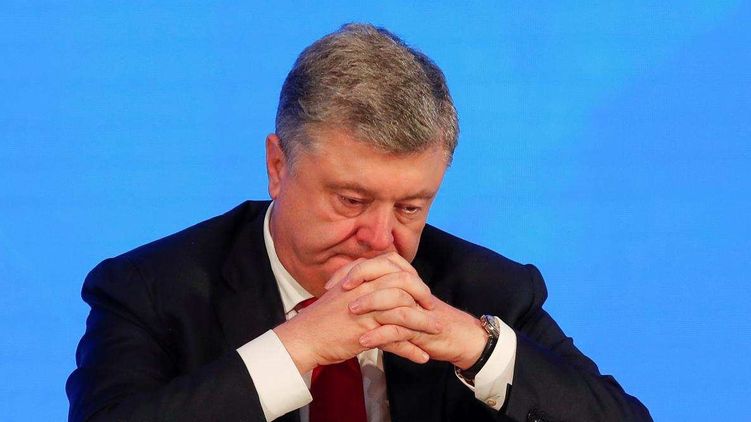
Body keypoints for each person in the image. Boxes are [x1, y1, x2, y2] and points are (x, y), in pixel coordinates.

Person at [67, 23, 651, 422]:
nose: (380, 239)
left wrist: (477, 348)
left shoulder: (485, 289)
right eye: (350, 200)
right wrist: (296, 347)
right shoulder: (152, 290)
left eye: (410, 208)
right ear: (278, 167)